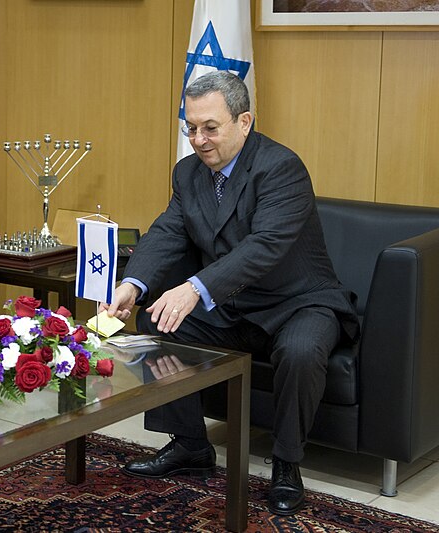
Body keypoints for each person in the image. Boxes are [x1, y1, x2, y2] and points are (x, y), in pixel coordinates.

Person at [104, 70, 359, 516]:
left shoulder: (281, 167)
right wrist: (133, 283)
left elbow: (265, 247)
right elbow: (170, 230)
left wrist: (194, 288)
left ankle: (286, 464)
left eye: (210, 128)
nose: (198, 140)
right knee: (159, 322)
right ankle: (190, 446)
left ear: (245, 121)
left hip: (298, 301)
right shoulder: (188, 173)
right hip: (233, 304)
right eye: (190, 127)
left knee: (300, 351)